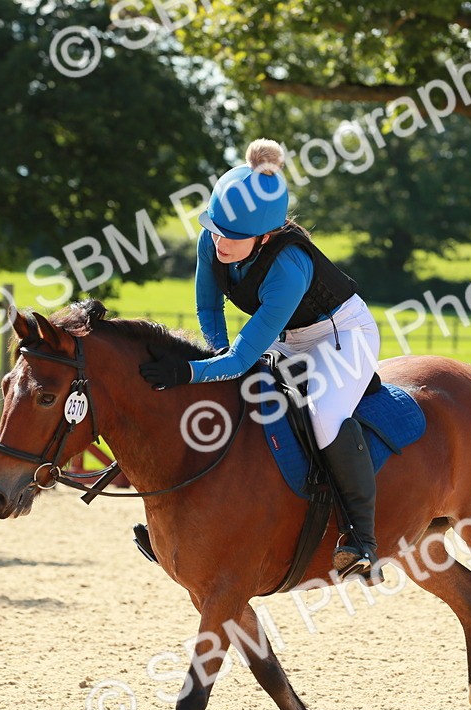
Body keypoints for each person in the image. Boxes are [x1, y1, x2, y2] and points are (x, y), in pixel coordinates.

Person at [139, 139, 382, 577]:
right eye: (215, 230)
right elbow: (210, 311)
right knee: (240, 399)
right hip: (286, 333)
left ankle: (362, 540)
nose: (220, 242)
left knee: (324, 416)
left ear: (266, 235)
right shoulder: (211, 242)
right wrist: (210, 357)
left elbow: (239, 358)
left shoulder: (288, 268)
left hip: (342, 335)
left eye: (233, 237)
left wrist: (187, 371)